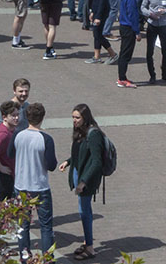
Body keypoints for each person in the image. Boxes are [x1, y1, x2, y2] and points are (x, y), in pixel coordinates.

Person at [8, 103, 57, 263]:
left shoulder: (18, 135)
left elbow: (10, 154)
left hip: (21, 186)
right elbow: (51, 165)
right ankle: (48, 259)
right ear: (42, 118)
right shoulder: (46, 139)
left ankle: (24, 256)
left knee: (23, 224)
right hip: (40, 186)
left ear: (26, 117)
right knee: (46, 226)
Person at [57, 104, 104, 260]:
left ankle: (90, 248)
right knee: (85, 210)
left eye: (77, 118)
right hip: (79, 173)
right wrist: (68, 161)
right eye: (73, 117)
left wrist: (83, 182)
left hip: (87, 177)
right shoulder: (80, 131)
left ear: (85, 118)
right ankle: (87, 242)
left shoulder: (93, 134)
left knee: (84, 212)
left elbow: (96, 161)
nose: (74, 121)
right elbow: (80, 153)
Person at [86, 0, 118, 64]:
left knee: (98, 34)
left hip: (101, 12)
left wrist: (98, 16)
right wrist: (92, 12)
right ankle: (97, 56)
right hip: (96, 11)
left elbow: (102, 0)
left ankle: (112, 53)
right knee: (96, 34)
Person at [117, 0, 143, 88]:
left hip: (123, 25)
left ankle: (122, 77)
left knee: (124, 52)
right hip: (129, 28)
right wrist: (137, 32)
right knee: (126, 54)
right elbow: (133, 16)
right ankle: (122, 79)